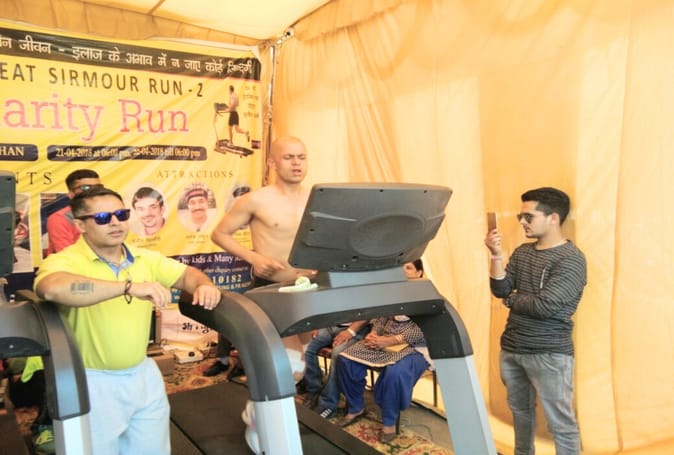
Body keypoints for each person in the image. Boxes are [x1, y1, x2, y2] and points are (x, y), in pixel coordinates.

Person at [34, 186, 222, 454]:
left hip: (142, 373)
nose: (115, 223)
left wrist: (203, 285)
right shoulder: (65, 261)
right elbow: (52, 288)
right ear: (80, 225)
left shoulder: (145, 258)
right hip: (92, 380)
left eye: (121, 214)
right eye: (103, 218)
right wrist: (127, 287)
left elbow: (187, 275)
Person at [484, 187, 587, 455]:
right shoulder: (523, 252)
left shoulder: (571, 260)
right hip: (512, 349)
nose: (522, 221)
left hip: (549, 354)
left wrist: (511, 299)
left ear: (553, 218)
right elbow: (501, 289)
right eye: (520, 216)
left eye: (528, 216)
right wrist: (496, 256)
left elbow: (544, 306)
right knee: (520, 413)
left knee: (561, 425)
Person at [205, 136, 314, 377]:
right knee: (292, 369)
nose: (296, 163)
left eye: (301, 157)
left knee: (308, 360)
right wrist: (253, 258)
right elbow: (219, 234)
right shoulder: (255, 200)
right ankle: (259, 399)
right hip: (274, 289)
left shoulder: (316, 198)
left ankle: (292, 395)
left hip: (308, 289)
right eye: (289, 157)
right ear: (272, 163)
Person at [336, 259, 429, 444]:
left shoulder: (426, 294)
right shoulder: (392, 290)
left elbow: (425, 328)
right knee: (345, 359)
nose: (403, 271)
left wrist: (391, 340)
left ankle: (389, 422)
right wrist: (373, 334)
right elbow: (381, 317)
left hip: (416, 346)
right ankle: (355, 407)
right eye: (400, 267)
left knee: (395, 373)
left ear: (419, 272)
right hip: (384, 341)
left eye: (409, 267)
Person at [301, 319, 369, 419]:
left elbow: (366, 315)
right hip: (329, 323)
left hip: (356, 328)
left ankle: (328, 404)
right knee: (305, 346)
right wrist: (315, 323)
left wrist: (350, 331)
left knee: (338, 355)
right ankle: (314, 389)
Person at [46, 169, 101, 255]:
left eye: (98, 187)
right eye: (85, 188)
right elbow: (68, 255)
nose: (94, 192)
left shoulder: (109, 213)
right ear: (71, 194)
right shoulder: (59, 219)